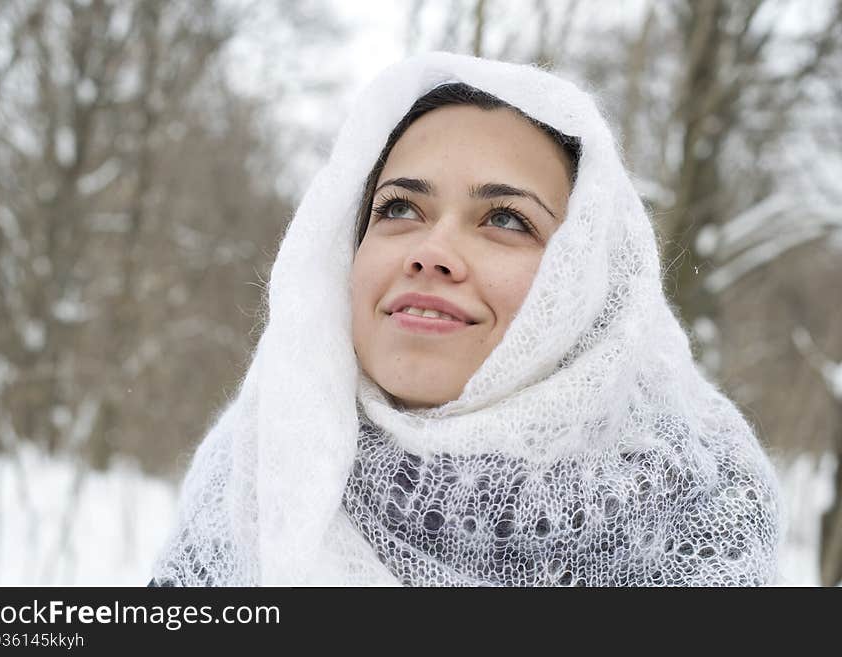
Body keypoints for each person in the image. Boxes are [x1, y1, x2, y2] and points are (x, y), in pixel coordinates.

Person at [148, 51, 781, 587]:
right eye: (398, 208)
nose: (431, 252)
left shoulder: (700, 515)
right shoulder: (254, 475)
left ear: (584, 284)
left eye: (506, 219)